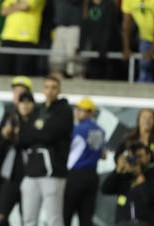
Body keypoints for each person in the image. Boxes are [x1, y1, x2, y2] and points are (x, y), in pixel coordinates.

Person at [18, 76, 73, 226]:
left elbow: (50, 135)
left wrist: (35, 132)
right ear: (43, 89)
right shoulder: (37, 110)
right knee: (28, 219)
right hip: (31, 172)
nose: (50, 91)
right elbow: (23, 137)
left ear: (59, 90)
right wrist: (39, 132)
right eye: (47, 87)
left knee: (54, 219)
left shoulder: (65, 110)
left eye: (54, 87)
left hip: (53, 172)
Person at [0, 90, 35, 226]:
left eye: (29, 102)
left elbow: (30, 142)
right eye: (22, 102)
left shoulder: (36, 123)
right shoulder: (10, 120)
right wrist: (5, 136)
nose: (25, 105)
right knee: (0, 216)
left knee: (28, 217)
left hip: (30, 177)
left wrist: (18, 135)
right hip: (10, 175)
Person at [101, 142, 154, 226]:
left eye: (139, 156)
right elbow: (105, 189)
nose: (136, 160)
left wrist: (140, 177)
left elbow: (151, 199)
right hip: (123, 223)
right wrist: (117, 170)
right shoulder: (126, 177)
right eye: (133, 156)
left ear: (148, 156)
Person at [63, 97, 105, 226]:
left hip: (75, 175)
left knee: (66, 213)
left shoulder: (78, 129)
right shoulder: (100, 130)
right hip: (92, 175)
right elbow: (103, 154)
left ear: (90, 112)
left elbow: (67, 149)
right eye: (78, 109)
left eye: (82, 110)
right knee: (86, 216)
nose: (78, 112)